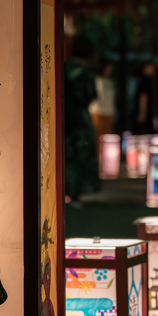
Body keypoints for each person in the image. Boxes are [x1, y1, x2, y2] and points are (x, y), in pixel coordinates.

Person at [64, 37, 100, 203]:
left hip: (62, 119)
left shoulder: (62, 68)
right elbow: (89, 96)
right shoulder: (85, 73)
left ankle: (64, 191)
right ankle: (76, 193)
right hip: (80, 120)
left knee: (65, 156)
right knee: (80, 156)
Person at [133, 60, 158, 135]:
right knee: (147, 132)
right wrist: (142, 112)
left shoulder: (157, 81)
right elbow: (143, 97)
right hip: (149, 113)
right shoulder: (144, 82)